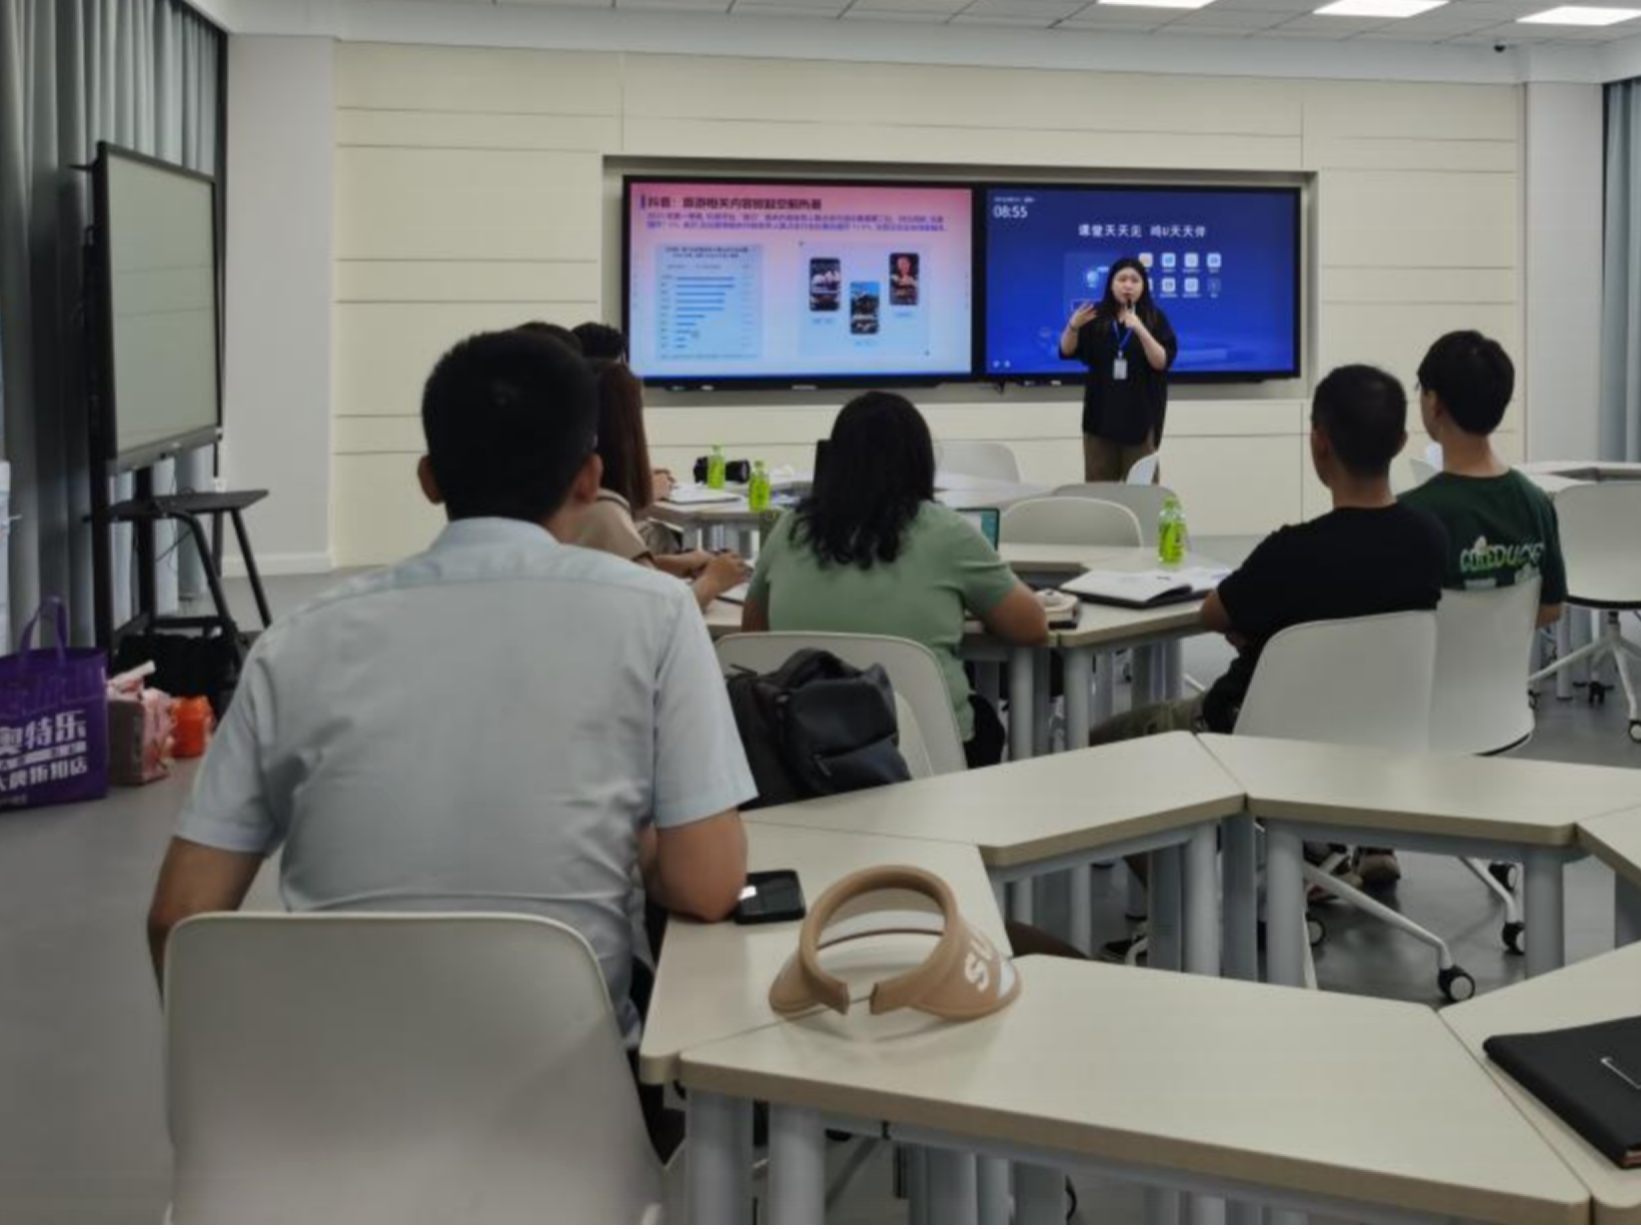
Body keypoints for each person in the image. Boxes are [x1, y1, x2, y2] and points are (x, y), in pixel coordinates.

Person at [145, 328, 754, 1150]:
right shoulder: (657, 616)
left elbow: (180, 917)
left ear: (429, 479)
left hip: (327, 1127)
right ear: (590, 477)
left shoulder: (296, 641)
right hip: (569, 1126)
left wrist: (237, 1102)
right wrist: (632, 839)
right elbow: (709, 885)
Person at [1095, 365, 1449, 745]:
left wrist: (1258, 632)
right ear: (1400, 442)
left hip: (1247, 735)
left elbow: (1212, 614)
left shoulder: (1290, 552)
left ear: (1319, 443)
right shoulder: (1431, 539)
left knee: (1099, 739)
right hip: (1373, 739)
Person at [743, 391, 1050, 769]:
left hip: (805, 756)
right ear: (919, 460)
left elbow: (753, 633)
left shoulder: (790, 529)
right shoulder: (946, 530)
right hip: (927, 755)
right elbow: (1032, 626)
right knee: (986, 722)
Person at [1401, 331, 1566, 630]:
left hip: (1434, 661)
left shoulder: (1410, 514)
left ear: (1434, 402)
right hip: (1508, 662)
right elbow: (1551, 608)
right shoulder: (1537, 503)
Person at [573, 360, 750, 610]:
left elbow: (614, 568)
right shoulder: (604, 514)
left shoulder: (565, 509)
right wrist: (713, 580)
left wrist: (672, 563)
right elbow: (660, 613)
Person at [1060, 257, 1176, 483]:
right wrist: (1073, 326)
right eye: (1122, 279)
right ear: (1111, 284)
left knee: (1143, 492)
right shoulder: (1095, 316)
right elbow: (1066, 350)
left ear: (1144, 286)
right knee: (1099, 492)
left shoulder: (1154, 317)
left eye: (1135, 280)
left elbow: (1161, 362)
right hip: (1100, 421)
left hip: (1140, 421)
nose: (1128, 285)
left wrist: (1140, 329)